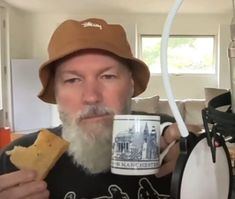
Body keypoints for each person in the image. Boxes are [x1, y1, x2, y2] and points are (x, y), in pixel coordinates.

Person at [0, 18, 200, 199]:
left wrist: (202, 163)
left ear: (130, 85)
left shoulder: (168, 141)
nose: (91, 97)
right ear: (56, 92)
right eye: (73, 80)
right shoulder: (11, 164)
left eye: (108, 76)